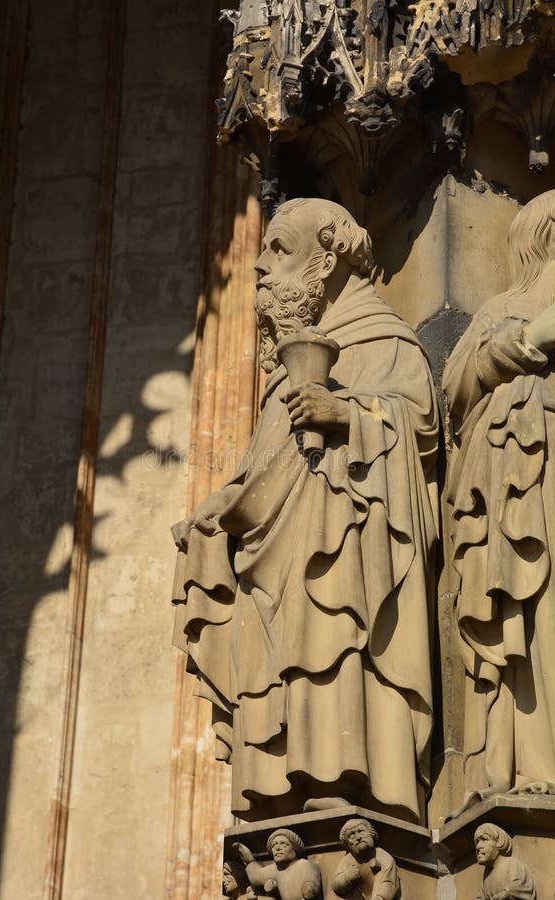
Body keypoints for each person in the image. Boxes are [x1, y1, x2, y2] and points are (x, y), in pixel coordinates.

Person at [172, 197, 439, 823]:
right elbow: (270, 472)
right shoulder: (289, 367)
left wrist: (345, 413)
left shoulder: (383, 341)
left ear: (329, 259)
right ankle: (284, 794)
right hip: (280, 574)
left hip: (345, 563)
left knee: (336, 651)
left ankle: (351, 784)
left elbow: (418, 426)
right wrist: (224, 505)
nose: (260, 267)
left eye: (279, 250)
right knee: (286, 667)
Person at [443, 190, 555, 808]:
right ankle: (533, 762)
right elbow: (456, 386)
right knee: (537, 618)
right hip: (527, 490)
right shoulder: (502, 309)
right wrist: (528, 339)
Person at [233, 828, 321, 900]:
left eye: (284, 844)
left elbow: (310, 887)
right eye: (274, 845)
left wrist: (309, 887)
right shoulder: (275, 869)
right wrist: (249, 860)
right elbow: (256, 876)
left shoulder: (305, 865)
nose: (278, 848)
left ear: (295, 848)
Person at [332, 818, 400, 899]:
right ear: (347, 844)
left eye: (361, 831)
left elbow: (389, 883)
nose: (358, 837)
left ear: (371, 833)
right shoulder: (347, 860)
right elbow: (336, 886)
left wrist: (380, 898)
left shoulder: (383, 856)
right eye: (351, 835)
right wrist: (346, 877)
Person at [474, 824, 536, 899]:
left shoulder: (511, 863)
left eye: (484, 839)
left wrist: (507, 893)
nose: (478, 847)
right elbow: (481, 896)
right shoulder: (487, 875)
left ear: (499, 842)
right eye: (477, 842)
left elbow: (523, 885)